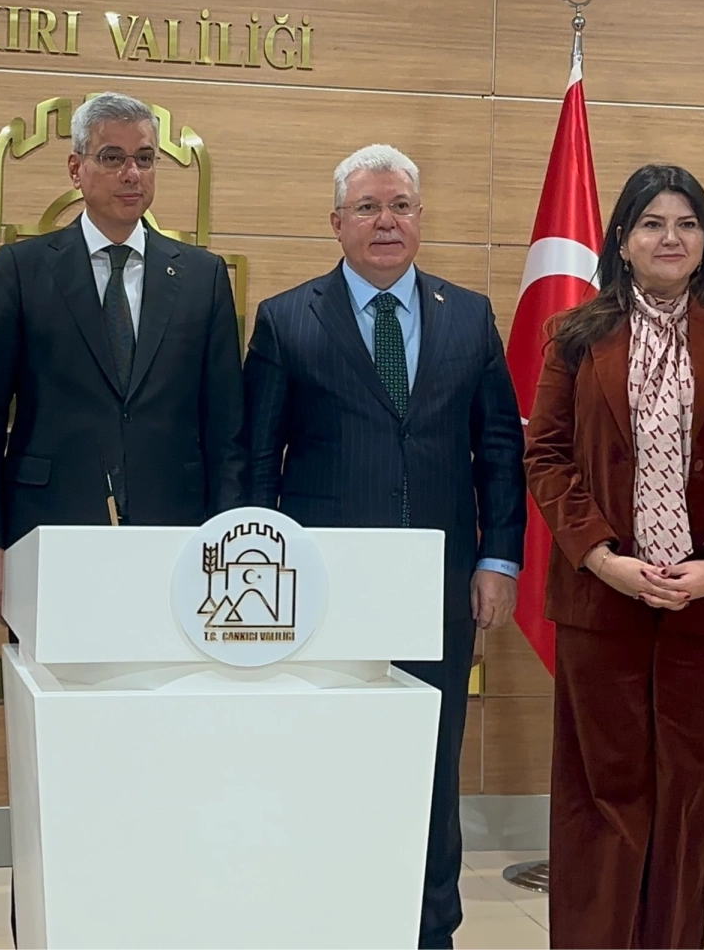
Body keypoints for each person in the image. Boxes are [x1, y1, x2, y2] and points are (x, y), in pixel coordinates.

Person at [243, 143, 526, 950]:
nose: (386, 221)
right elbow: (257, 462)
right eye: (367, 207)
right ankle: (327, 920)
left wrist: (498, 559)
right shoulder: (286, 319)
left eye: (400, 205)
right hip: (323, 591)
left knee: (431, 766)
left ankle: (431, 929)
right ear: (336, 222)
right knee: (327, 762)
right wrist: (260, 578)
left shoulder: (468, 315)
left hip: (439, 586)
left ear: (420, 217)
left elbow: (499, 449)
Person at [523, 163, 704, 950]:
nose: (669, 238)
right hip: (602, 597)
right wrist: (600, 556)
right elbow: (546, 458)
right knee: (602, 794)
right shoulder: (575, 335)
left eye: (686, 223)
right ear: (622, 240)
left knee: (687, 796)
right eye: (652, 223)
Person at [0, 91, 245, 620]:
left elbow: (226, 426)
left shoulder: (202, 277)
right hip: (48, 529)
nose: (131, 173)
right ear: (76, 168)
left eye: (144, 158)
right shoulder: (21, 270)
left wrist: (227, 537)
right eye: (112, 157)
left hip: (178, 532)